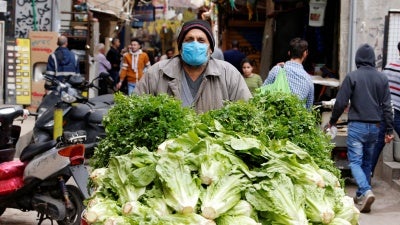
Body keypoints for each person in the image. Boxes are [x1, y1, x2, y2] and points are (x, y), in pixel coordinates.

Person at [326, 43, 394, 213]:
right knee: (367, 162)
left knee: (355, 162)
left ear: (357, 59)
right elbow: (387, 106)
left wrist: (333, 121)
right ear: (372, 60)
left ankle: (366, 190)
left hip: (357, 126)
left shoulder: (352, 76)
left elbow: (341, 102)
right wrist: (389, 130)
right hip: (375, 127)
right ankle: (360, 195)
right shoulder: (382, 78)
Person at [134, 19, 252, 113]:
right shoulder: (157, 73)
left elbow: (245, 111)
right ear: (180, 48)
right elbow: (136, 110)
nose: (195, 44)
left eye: (201, 40)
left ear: (210, 49)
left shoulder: (229, 74)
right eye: (189, 40)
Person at [372, 41, 400, 175]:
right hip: (398, 111)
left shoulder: (389, 67)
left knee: (378, 142)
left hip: (385, 109)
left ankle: (369, 172)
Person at [263, 37, 314, 109]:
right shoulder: (308, 79)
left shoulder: (277, 70)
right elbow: (308, 108)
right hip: (298, 119)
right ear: (305, 53)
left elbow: (262, 93)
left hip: (275, 117)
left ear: (289, 53)